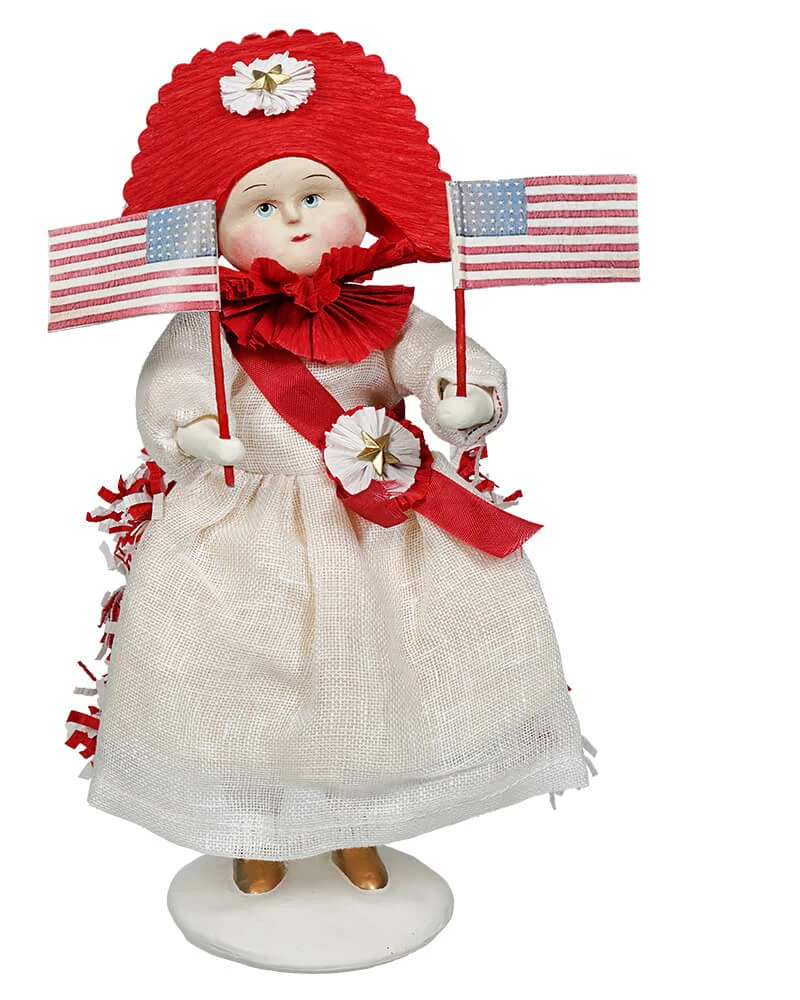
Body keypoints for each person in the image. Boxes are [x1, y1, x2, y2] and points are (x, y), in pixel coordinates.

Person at [85, 30, 590, 895]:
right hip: (246, 526)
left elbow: (439, 362)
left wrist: (462, 399)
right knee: (245, 675)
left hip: (378, 522)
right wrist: (193, 430)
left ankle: (362, 824)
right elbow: (171, 388)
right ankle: (256, 830)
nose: (293, 218)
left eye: (314, 194)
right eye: (262, 203)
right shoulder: (208, 322)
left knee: (375, 676)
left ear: (361, 207)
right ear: (216, 230)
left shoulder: (385, 313)